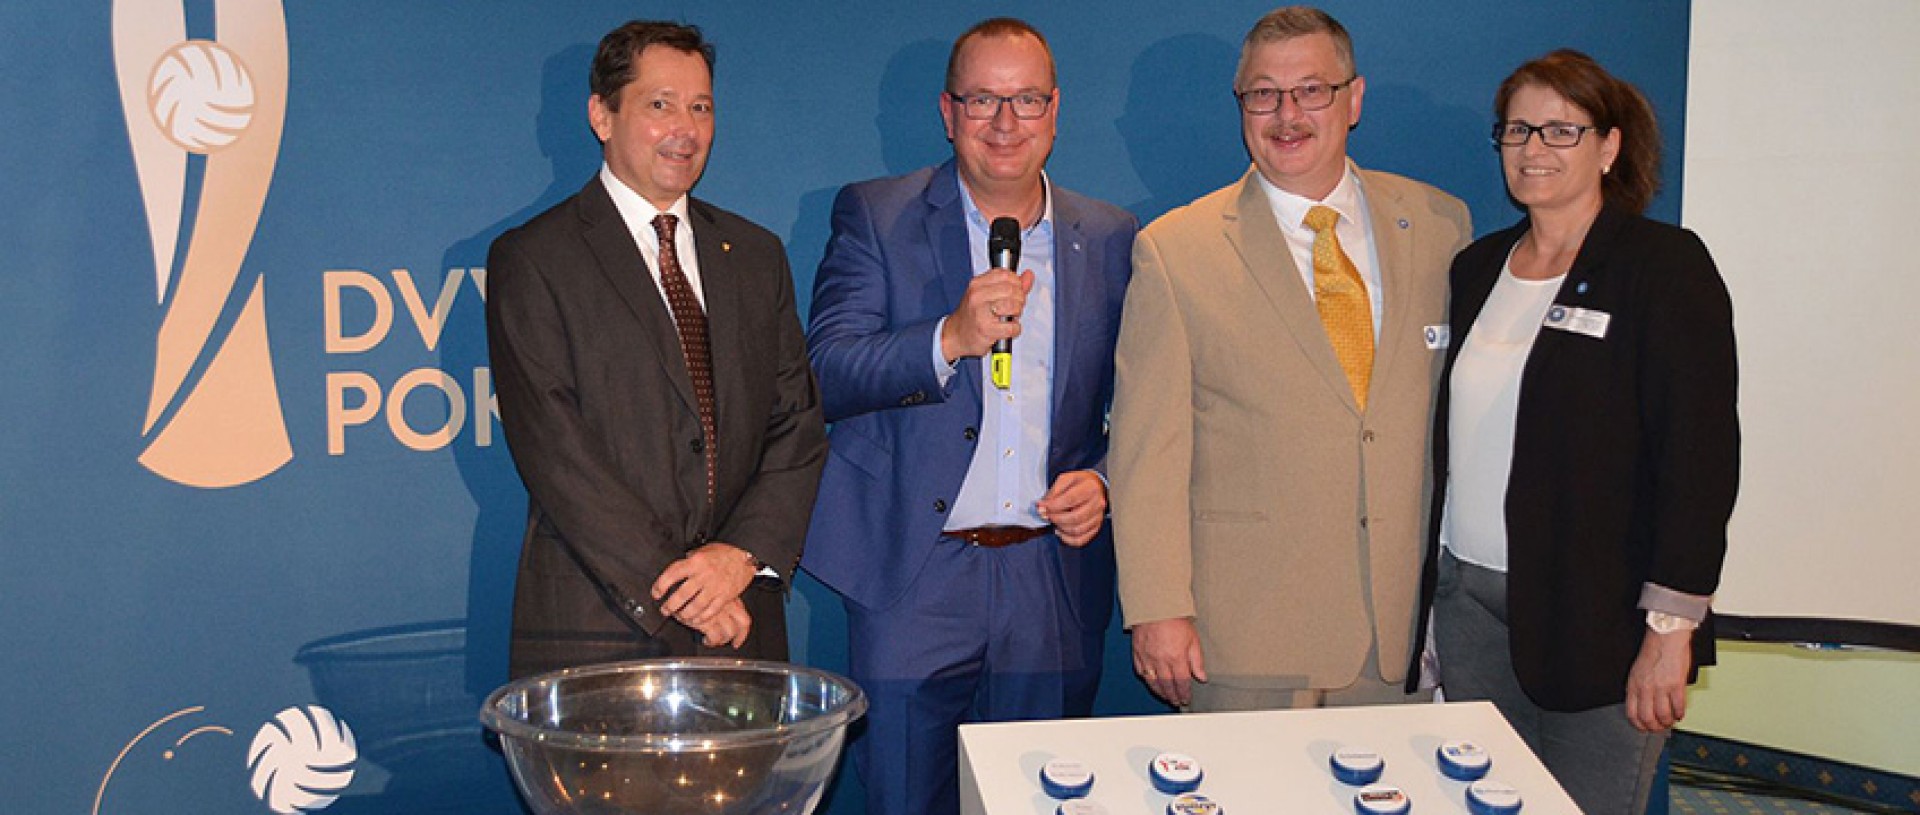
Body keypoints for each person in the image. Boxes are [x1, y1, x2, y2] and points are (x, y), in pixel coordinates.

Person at [801, 18, 1136, 815]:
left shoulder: (1113, 236)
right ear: (948, 112)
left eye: (1025, 99)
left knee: (1040, 797)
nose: (1005, 123)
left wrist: (1106, 478)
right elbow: (825, 371)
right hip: (916, 577)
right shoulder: (876, 216)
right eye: (983, 99)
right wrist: (949, 337)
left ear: (1056, 111)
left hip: (1051, 576)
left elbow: (1148, 404)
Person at [1111, 5, 1471, 712]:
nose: (1287, 113)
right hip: (1242, 636)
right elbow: (1146, 451)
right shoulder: (1175, 250)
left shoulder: (1439, 225)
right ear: (1240, 104)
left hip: (1394, 633)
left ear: (1354, 98)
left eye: (1312, 89)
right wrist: (1156, 607)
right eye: (1263, 93)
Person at [1411, 49, 1738, 815]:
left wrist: (1669, 628)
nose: (1534, 150)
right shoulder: (1476, 267)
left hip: (1605, 622)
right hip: (1470, 611)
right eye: (1518, 129)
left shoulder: (1663, 266)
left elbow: (1700, 459)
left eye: (1562, 130)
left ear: (1610, 145)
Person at [486, 20, 827, 679]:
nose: (687, 128)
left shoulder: (755, 256)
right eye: (660, 104)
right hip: (603, 624)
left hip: (742, 619)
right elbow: (557, 454)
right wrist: (681, 590)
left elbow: (797, 425)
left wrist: (738, 556)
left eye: (701, 107)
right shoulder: (536, 259)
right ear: (601, 115)